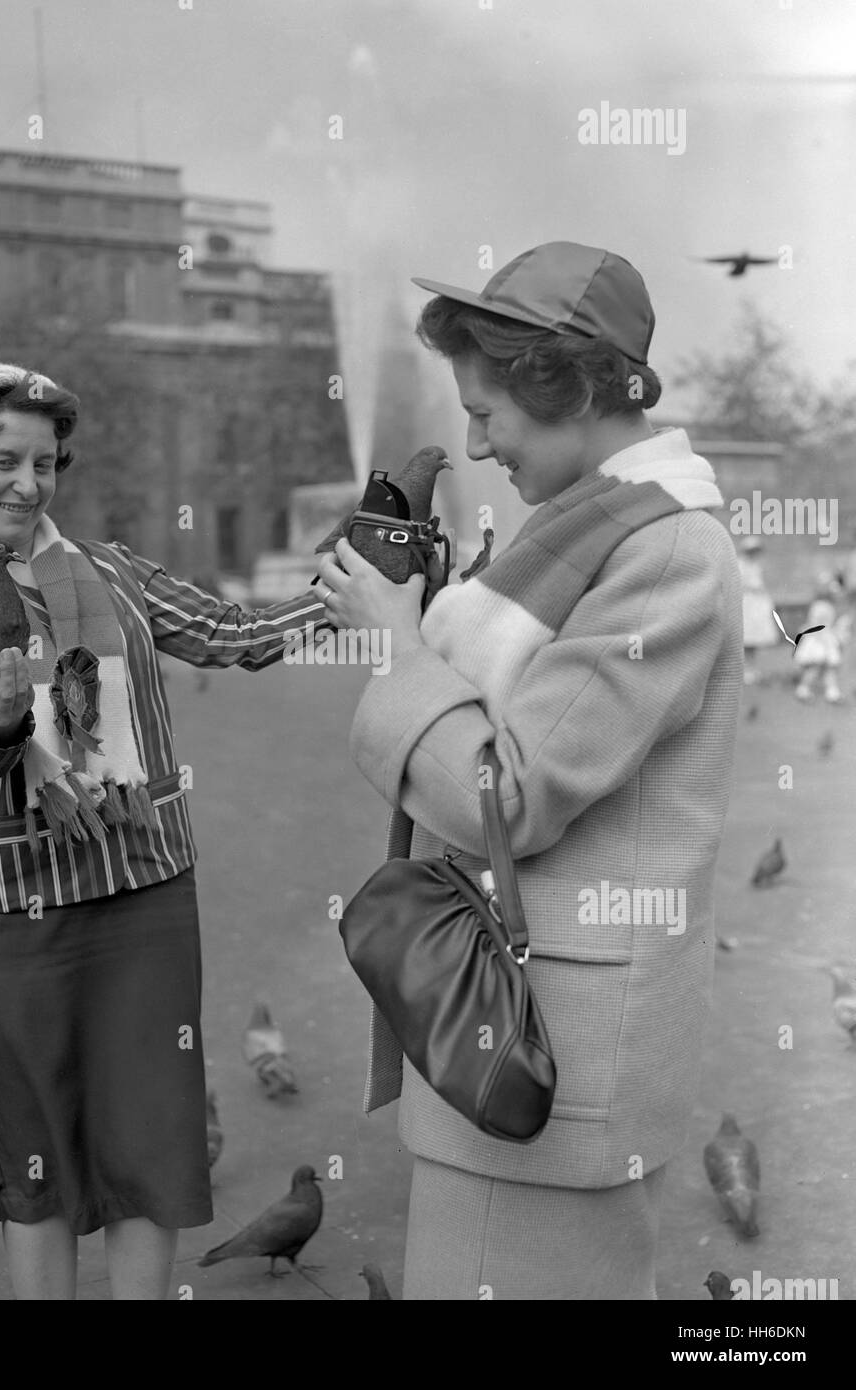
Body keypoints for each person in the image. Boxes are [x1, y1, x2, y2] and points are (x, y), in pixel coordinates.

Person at [316, 242, 743, 1300]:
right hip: (525, 1022)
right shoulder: (588, 531)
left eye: (488, 410)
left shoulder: (664, 553)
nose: (471, 441)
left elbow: (502, 796)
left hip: (545, 1042)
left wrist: (403, 648)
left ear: (567, 387)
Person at [0, 359, 329, 1300]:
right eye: (2, 459)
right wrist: (0, 733)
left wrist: (359, 588)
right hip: (13, 912)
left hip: (142, 895)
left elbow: (234, 634)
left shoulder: (115, 572)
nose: (26, 484)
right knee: (31, 1158)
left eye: (45, 464)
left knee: (147, 1141)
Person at [794, 573, 846, 703]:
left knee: (830, 667)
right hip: (818, 640)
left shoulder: (828, 607)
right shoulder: (819, 607)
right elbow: (815, 624)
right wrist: (823, 639)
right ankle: (803, 689)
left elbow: (829, 624)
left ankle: (832, 691)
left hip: (826, 639)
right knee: (815, 667)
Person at [736, 536, 778, 685]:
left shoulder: (755, 565)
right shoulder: (740, 565)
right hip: (747, 603)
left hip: (756, 604)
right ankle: (745, 670)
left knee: (753, 640)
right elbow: (742, 584)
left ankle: (752, 668)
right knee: (746, 638)